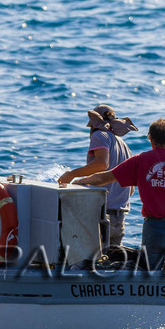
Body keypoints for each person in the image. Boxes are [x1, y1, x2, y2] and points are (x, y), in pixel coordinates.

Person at [73, 118, 165, 267]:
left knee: (151, 273)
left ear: (150, 138)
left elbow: (105, 177)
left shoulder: (140, 161)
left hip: (154, 227)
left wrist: (77, 180)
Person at [57, 104, 136, 248]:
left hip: (101, 214)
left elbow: (101, 164)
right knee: (112, 263)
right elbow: (130, 189)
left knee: (88, 262)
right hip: (119, 217)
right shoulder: (124, 146)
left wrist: (72, 175)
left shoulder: (99, 135)